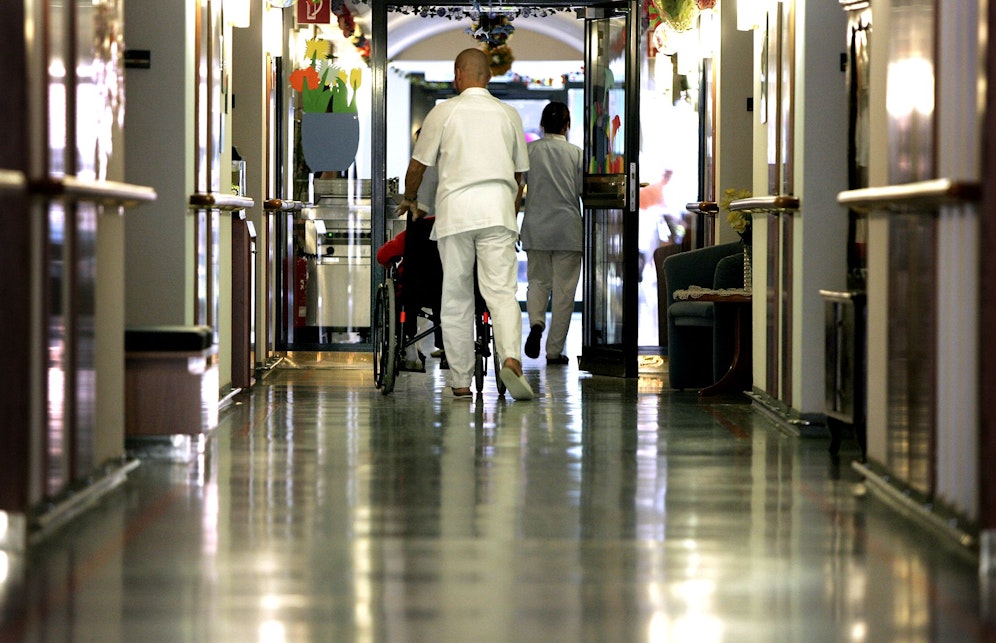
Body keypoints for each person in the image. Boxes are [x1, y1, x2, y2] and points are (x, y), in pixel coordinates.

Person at [395, 48, 534, 400]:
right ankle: (511, 357)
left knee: (456, 296)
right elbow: (519, 178)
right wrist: (511, 216)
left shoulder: (444, 112)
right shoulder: (509, 114)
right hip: (498, 211)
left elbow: (417, 167)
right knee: (501, 293)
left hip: (456, 214)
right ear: (489, 75)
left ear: (458, 74)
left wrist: (410, 198)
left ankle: (460, 380)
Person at [520, 102, 584, 365]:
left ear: (542, 124)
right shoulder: (576, 154)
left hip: (536, 227)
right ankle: (554, 351)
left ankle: (536, 323)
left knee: (537, 282)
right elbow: (583, 190)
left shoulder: (529, 151)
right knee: (564, 292)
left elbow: (517, 188)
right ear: (567, 126)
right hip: (567, 229)